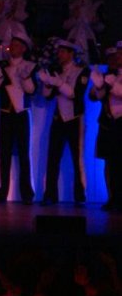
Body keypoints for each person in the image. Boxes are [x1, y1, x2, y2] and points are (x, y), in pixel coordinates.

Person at [0, 33, 38, 204]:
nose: (12, 48)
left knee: (24, 154)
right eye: (11, 44)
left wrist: (25, 78)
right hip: (6, 113)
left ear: (23, 48)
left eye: (16, 45)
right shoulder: (2, 65)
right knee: (4, 154)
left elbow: (31, 91)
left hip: (22, 113)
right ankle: (2, 192)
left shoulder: (30, 66)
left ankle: (27, 194)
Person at [39, 39, 90, 206]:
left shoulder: (82, 71)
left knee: (77, 159)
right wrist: (47, 83)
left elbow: (75, 94)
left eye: (62, 51)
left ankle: (80, 195)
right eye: (58, 51)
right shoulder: (57, 71)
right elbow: (47, 96)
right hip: (58, 118)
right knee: (52, 158)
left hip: (75, 118)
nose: (59, 54)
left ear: (71, 53)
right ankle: (50, 194)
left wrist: (58, 82)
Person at [90, 45, 121, 211]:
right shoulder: (106, 75)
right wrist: (98, 86)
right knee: (109, 162)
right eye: (111, 58)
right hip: (107, 123)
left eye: (117, 56)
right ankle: (112, 197)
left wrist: (113, 84)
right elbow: (93, 97)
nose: (114, 60)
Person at [63, 0, 104, 64]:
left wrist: (95, 22)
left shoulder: (96, 5)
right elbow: (64, 25)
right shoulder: (70, 5)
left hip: (90, 41)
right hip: (73, 38)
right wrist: (74, 18)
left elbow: (101, 27)